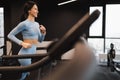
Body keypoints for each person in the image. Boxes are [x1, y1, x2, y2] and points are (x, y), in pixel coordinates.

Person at [7, 1, 46, 80]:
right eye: (35, 9)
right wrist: (21, 43)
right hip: (24, 55)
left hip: (31, 54)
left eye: (37, 9)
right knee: (27, 75)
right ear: (29, 10)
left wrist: (43, 33)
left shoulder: (37, 24)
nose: (37, 11)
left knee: (24, 75)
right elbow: (10, 35)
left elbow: (40, 40)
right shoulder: (24, 24)